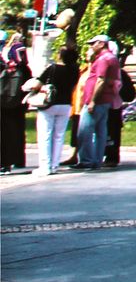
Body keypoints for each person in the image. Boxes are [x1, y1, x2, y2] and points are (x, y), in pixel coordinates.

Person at [26, 44, 79, 176]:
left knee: (45, 135)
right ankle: (55, 164)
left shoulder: (52, 68)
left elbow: (38, 84)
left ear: (60, 55)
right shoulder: (75, 70)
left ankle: (45, 166)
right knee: (59, 136)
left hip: (49, 104)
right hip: (66, 104)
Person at [74, 35, 121, 170]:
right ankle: (97, 160)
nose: (91, 46)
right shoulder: (112, 58)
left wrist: (93, 101)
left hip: (97, 100)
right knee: (101, 131)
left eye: (93, 43)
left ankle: (86, 160)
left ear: (101, 44)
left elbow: (100, 80)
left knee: (84, 131)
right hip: (106, 99)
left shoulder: (103, 59)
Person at [1, 27, 31, 173]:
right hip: (19, 104)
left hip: (5, 104)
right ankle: (18, 159)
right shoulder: (25, 69)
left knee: (6, 133)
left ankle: (6, 162)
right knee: (17, 131)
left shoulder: (5, 67)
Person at [104, 43, 136, 167]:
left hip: (112, 106)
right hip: (109, 106)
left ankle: (111, 156)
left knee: (112, 131)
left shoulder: (119, 73)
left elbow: (129, 94)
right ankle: (106, 155)